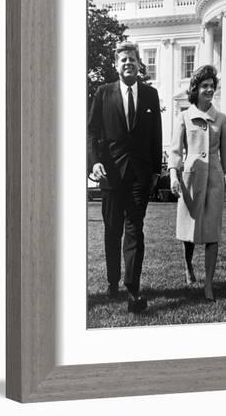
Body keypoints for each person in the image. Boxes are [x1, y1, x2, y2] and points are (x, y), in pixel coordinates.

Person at [88, 41, 162, 313]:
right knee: (112, 231)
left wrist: (156, 169)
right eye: (123, 60)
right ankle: (112, 282)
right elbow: (92, 132)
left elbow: (156, 135)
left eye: (132, 59)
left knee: (135, 230)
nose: (128, 63)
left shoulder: (151, 95)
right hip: (110, 175)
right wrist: (94, 163)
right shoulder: (103, 93)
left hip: (139, 176)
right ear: (115, 65)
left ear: (139, 64)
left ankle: (132, 289)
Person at [169, 65, 226, 302]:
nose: (209, 89)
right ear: (195, 89)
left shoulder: (222, 119)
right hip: (191, 180)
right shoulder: (184, 116)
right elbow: (175, 150)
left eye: (211, 86)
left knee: (212, 233)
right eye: (204, 86)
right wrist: (174, 176)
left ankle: (208, 283)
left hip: (215, 180)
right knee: (189, 232)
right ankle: (188, 267)